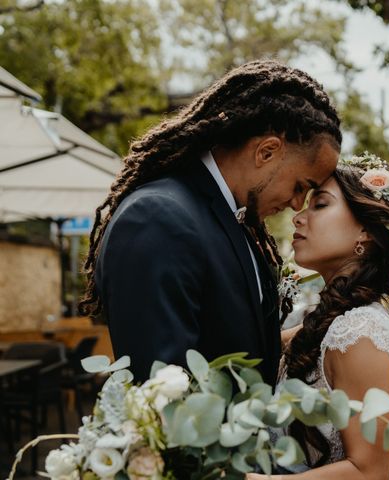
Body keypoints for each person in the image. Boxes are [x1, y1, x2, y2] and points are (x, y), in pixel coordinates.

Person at [80, 60, 342, 384]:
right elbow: (161, 393)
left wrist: (328, 327)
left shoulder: (236, 222)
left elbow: (247, 354)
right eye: (301, 186)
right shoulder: (157, 219)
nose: (296, 204)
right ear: (266, 151)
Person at [248, 153, 389, 480]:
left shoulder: (359, 332)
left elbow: (370, 472)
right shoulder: (328, 321)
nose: (297, 218)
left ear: (365, 232)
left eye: (320, 205)